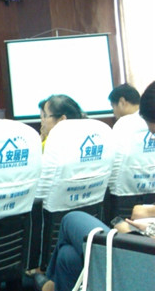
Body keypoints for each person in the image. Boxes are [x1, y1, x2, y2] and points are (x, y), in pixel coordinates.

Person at [34, 80, 155, 291]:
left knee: (71, 219)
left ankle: (49, 284)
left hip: (145, 259)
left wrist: (139, 232)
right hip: (146, 249)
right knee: (68, 258)